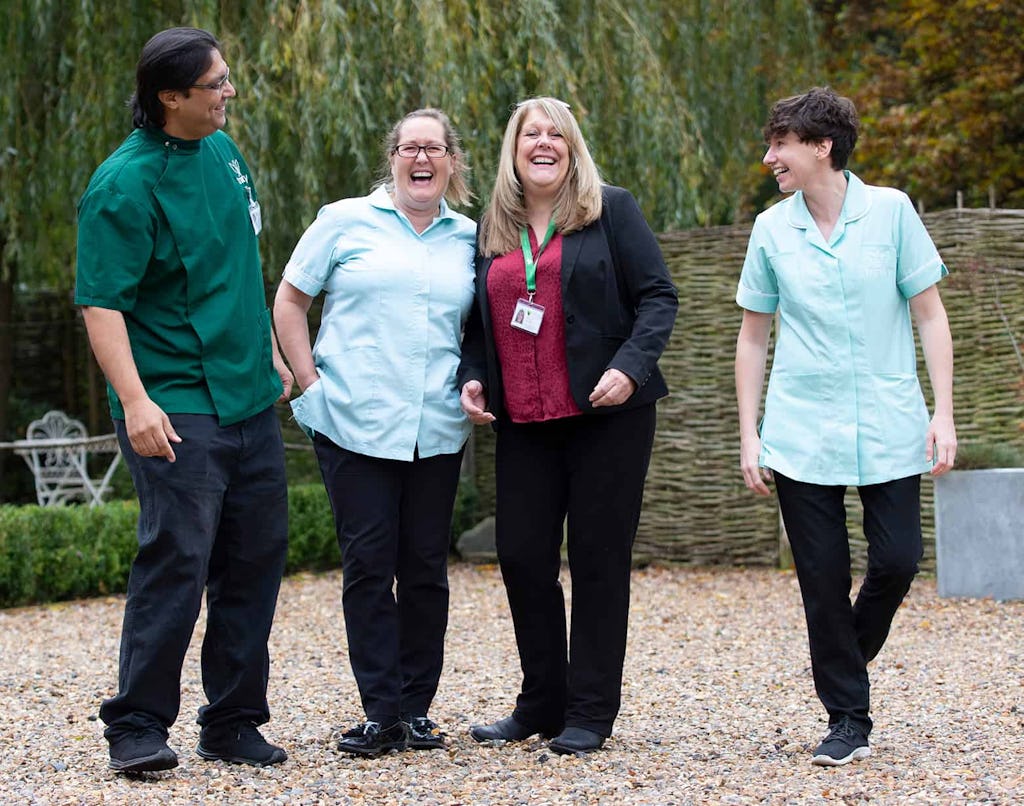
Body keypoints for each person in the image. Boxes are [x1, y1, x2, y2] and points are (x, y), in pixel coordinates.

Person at [75, 28, 292, 773]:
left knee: (254, 562)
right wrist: (134, 403)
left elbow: (241, 261)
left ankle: (232, 721)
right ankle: (135, 726)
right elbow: (102, 306)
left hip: (248, 398)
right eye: (217, 83)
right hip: (173, 401)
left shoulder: (226, 156)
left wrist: (268, 349)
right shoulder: (122, 185)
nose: (229, 92)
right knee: (177, 561)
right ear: (171, 96)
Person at [734, 87, 957, 767]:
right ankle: (848, 717)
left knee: (897, 559)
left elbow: (930, 315)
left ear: (822, 146)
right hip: (801, 431)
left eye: (781, 144)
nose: (771, 156)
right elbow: (752, 338)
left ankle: (841, 656)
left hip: (891, 422)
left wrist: (943, 412)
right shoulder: (772, 229)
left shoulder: (890, 212)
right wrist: (750, 434)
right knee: (822, 578)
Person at [458, 97, 678, 755]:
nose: (544, 142)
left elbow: (658, 296)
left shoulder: (611, 209)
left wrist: (631, 368)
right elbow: (479, 323)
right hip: (523, 419)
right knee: (523, 558)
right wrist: (473, 375)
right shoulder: (492, 226)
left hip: (605, 417)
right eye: (532, 132)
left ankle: (589, 712)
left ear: (573, 146)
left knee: (597, 560)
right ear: (514, 146)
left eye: (557, 133)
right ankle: (540, 703)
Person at [273, 108, 477, 757]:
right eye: (409, 147)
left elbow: (483, 330)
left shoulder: (472, 237)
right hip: (353, 423)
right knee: (368, 566)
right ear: (392, 157)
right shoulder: (343, 221)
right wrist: (311, 383)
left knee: (424, 569)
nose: (422, 158)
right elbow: (289, 300)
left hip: (435, 428)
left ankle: (416, 710)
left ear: (451, 161)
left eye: (434, 148)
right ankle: (379, 710)